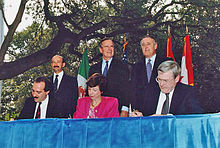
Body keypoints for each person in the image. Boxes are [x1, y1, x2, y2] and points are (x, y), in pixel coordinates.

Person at [131, 60, 204, 117]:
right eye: (159, 79)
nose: (161, 84)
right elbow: (141, 112)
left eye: (165, 80)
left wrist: (166, 118)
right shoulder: (150, 91)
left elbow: (197, 116)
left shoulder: (188, 92)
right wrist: (138, 115)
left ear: (177, 79)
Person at [131, 35, 172, 116]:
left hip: (161, 110)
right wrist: (135, 109)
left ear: (155, 46)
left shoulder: (166, 62)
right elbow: (134, 89)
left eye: (148, 44)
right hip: (142, 113)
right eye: (143, 45)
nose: (146, 47)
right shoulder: (136, 66)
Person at [89, 37, 130, 117]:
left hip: (115, 110)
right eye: (106, 46)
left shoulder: (122, 66)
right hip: (97, 110)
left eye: (112, 46)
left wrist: (125, 109)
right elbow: (90, 89)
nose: (110, 49)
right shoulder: (93, 68)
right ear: (101, 50)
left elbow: (127, 88)